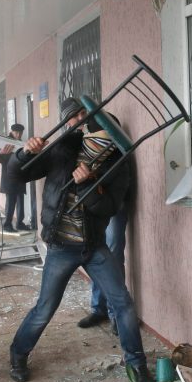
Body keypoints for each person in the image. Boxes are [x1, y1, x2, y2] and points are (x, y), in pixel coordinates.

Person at [5, 97, 156, 382]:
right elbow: (16, 176)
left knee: (123, 304)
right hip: (62, 246)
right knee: (45, 308)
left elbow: (109, 207)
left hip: (94, 246)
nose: (81, 124)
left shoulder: (117, 162)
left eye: (87, 119)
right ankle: (18, 354)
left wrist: (88, 184)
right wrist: (24, 153)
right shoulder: (64, 148)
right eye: (76, 119)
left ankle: (138, 368)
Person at [78, 114, 133, 336]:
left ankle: (115, 314)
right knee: (97, 257)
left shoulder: (117, 152)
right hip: (95, 211)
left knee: (112, 257)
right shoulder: (91, 150)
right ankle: (98, 308)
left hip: (113, 209)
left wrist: (91, 179)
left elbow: (108, 184)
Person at [0, 123, 31, 233]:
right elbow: (0, 158)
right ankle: (7, 224)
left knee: (20, 200)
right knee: (11, 201)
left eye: (20, 133)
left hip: (20, 176)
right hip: (9, 177)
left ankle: (19, 223)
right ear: (11, 131)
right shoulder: (5, 142)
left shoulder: (21, 143)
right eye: (16, 133)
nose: (18, 135)